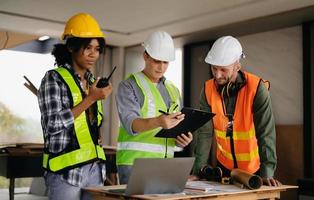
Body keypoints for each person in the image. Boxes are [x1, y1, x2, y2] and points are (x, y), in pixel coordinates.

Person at [38, 13, 113, 200]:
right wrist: (90, 99)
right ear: (72, 46)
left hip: (94, 170)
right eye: (87, 48)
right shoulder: (54, 78)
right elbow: (52, 125)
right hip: (65, 173)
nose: (93, 54)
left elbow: (93, 127)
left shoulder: (93, 82)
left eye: (97, 49)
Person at [191, 36, 281, 186]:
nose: (217, 75)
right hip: (224, 167)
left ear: (237, 67)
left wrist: (267, 173)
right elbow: (205, 133)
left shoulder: (256, 88)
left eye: (223, 69)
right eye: (214, 68)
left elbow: (266, 133)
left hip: (254, 170)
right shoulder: (207, 89)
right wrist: (197, 170)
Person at [116, 31, 193, 184]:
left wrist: (182, 140)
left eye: (166, 62)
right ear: (146, 56)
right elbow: (131, 124)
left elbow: (177, 127)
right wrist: (158, 122)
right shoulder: (129, 85)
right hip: (134, 163)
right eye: (157, 61)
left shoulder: (173, 90)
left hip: (165, 164)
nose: (161, 67)